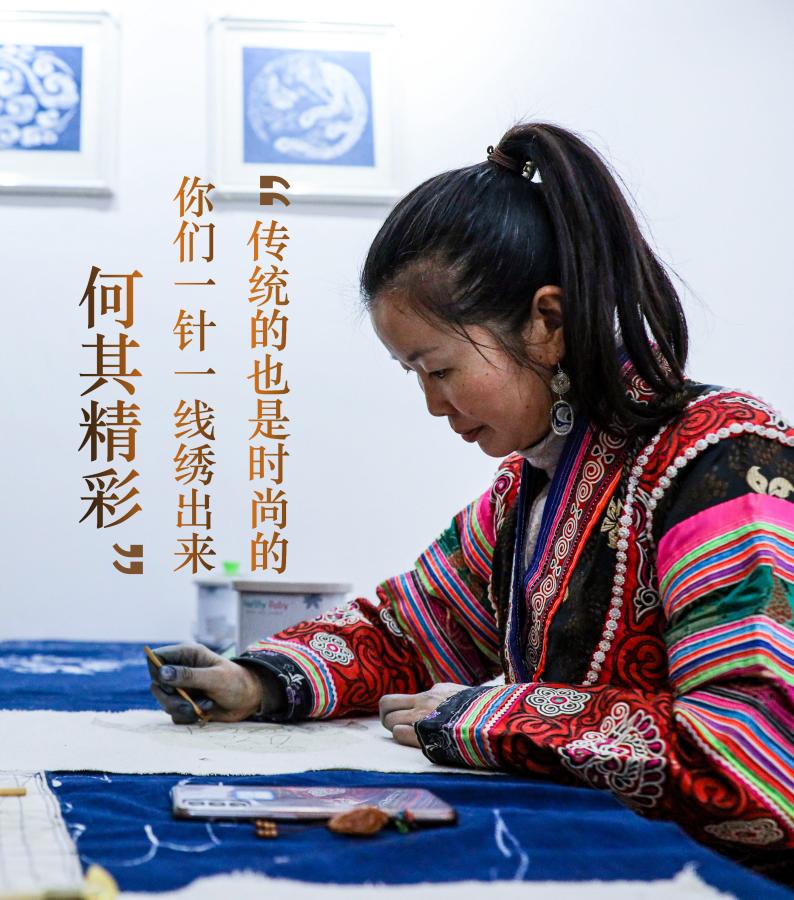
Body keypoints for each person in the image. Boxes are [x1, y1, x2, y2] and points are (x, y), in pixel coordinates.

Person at [149, 122, 794, 881]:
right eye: (413, 375)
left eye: (440, 368)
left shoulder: (723, 462)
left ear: (547, 323)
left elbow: (753, 754)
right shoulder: (528, 489)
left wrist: (491, 715)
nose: (432, 403)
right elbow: (407, 634)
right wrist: (259, 682)